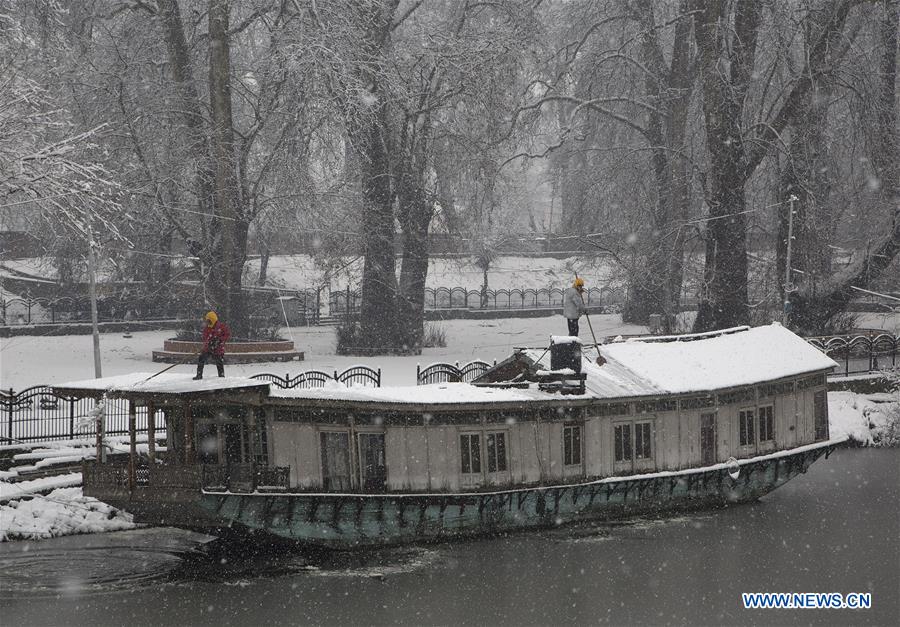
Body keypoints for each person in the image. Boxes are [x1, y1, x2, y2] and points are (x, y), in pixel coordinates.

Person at [194, 311, 230, 379]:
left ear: (212, 319)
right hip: (208, 348)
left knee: (219, 362)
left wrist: (219, 340)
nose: (207, 322)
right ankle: (199, 375)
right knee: (201, 359)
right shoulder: (207, 328)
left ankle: (221, 376)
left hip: (218, 348)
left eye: (208, 320)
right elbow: (205, 337)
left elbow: (227, 335)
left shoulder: (221, 326)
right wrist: (209, 343)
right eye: (206, 320)